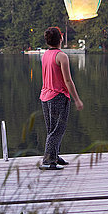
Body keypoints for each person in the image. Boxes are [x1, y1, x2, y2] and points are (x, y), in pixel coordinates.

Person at [39, 27, 84, 170]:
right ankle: (49, 161)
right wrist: (77, 99)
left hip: (45, 96)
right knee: (57, 129)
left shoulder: (45, 55)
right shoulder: (62, 56)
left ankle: (55, 155)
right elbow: (68, 81)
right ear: (60, 38)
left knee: (52, 128)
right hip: (58, 96)